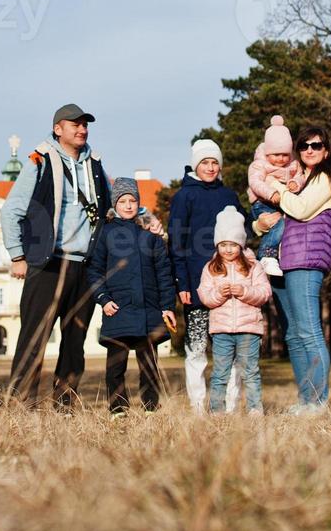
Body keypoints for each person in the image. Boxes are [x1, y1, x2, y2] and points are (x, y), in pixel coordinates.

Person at [1, 103, 112, 411]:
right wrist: (17, 256)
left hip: (85, 266)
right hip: (48, 264)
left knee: (75, 343)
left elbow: (113, 206)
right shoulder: (40, 162)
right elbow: (12, 211)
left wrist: (144, 218)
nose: (82, 129)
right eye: (74, 124)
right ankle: (21, 406)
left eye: (85, 124)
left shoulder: (96, 165)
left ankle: (65, 406)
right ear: (57, 129)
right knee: (34, 338)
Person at [262, 126, 331, 414]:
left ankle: (318, 402)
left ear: (327, 149)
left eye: (316, 145)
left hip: (306, 260)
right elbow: (279, 219)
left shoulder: (329, 176)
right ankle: (305, 399)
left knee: (309, 332)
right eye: (304, 146)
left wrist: (275, 187)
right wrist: (258, 225)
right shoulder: (303, 177)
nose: (310, 150)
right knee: (293, 335)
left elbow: (300, 210)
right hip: (284, 262)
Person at [85, 178, 178, 417]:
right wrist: (103, 299)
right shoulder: (105, 233)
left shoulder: (150, 235)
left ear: (139, 203)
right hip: (118, 309)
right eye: (123, 201)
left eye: (132, 200)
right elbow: (94, 270)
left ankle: (150, 407)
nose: (128, 205)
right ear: (115, 204)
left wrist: (167, 306)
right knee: (116, 366)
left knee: (149, 365)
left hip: (148, 310)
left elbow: (164, 273)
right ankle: (118, 409)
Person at [167, 138, 244, 413]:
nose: (210, 168)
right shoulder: (184, 196)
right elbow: (176, 242)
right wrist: (182, 282)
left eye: (215, 163)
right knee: (197, 349)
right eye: (205, 163)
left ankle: (228, 406)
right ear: (195, 165)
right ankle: (199, 407)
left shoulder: (229, 196)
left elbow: (242, 239)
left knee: (229, 351)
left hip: (229, 286)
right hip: (197, 286)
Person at [195, 209, 271, 415]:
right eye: (223, 245)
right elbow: (205, 296)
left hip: (249, 329)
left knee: (251, 372)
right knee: (220, 372)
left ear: (241, 244)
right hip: (221, 331)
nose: (228, 250)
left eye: (233, 245)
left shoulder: (253, 267)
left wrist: (245, 291)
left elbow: (265, 293)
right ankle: (217, 411)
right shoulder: (210, 268)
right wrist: (219, 293)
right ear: (217, 245)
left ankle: (255, 410)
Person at [247, 115, 302, 278]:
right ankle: (266, 254)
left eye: (285, 155)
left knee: (284, 226)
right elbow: (255, 182)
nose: (281, 159)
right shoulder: (259, 164)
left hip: (281, 203)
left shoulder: (293, 164)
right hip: (262, 202)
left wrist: (295, 183)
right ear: (268, 152)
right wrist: (271, 193)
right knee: (278, 224)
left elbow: (301, 175)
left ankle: (274, 255)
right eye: (276, 155)